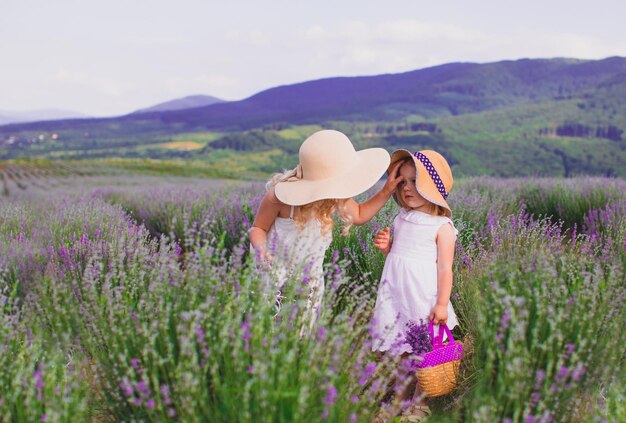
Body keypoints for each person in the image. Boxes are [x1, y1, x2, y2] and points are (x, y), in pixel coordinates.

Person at [249, 129, 401, 332]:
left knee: (301, 332)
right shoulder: (279, 198)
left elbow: (359, 215)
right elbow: (258, 228)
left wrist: (387, 191)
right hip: (273, 276)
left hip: (308, 279)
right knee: (268, 330)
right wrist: (262, 251)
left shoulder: (334, 196)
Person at [371, 149, 458, 418]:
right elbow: (399, 256)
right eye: (403, 182)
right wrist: (387, 248)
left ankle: (420, 403)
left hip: (422, 297)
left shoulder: (442, 226)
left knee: (424, 352)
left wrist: (442, 304)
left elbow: (445, 269)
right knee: (401, 353)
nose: (407, 188)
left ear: (432, 188)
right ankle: (398, 399)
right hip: (397, 294)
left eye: (414, 182)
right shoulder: (401, 218)